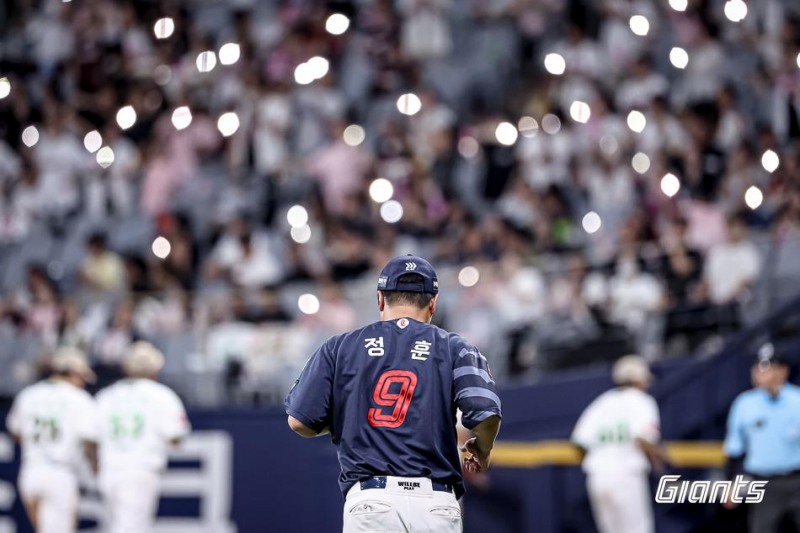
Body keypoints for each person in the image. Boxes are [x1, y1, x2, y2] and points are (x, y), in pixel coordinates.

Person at [285, 254, 502, 533]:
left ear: (380, 299)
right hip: (436, 503)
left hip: (372, 501)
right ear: (433, 303)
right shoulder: (454, 347)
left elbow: (300, 421)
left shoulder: (340, 347)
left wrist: (348, 420)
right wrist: (482, 449)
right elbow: (486, 412)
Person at [96, 341, 191, 533]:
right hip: (140, 469)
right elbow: (177, 436)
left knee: (118, 524)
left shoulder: (106, 396)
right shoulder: (161, 395)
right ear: (154, 369)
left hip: (108, 469)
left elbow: (90, 438)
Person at [5, 347, 99, 533]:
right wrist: (96, 471)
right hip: (60, 472)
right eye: (81, 377)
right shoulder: (80, 399)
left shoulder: (28, 394)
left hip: (31, 471)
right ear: (73, 373)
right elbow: (90, 442)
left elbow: (15, 433)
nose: (82, 383)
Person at [571, 355, 664, 533]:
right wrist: (658, 459)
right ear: (640, 379)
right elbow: (643, 438)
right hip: (627, 476)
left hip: (598, 477)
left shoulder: (601, 402)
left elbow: (579, 443)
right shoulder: (642, 401)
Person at [723, 345, 800, 532]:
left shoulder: (797, 400)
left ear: (783, 370)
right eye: (757, 367)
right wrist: (731, 484)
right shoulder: (744, 404)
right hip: (764, 484)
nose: (760, 373)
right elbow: (734, 450)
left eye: (767, 367)